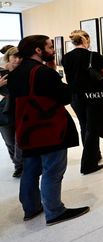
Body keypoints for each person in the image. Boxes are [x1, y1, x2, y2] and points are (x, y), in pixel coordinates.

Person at [7, 35, 89, 225]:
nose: (53, 50)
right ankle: (55, 211)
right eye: (50, 47)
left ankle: (32, 208)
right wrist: (56, 76)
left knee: (30, 170)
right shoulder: (44, 72)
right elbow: (65, 97)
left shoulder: (16, 73)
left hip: (27, 130)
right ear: (38, 50)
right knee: (53, 170)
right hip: (49, 129)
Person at [61, 30, 103, 175]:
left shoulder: (66, 57)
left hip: (75, 97)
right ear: (86, 40)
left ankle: (94, 154)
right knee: (93, 128)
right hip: (94, 96)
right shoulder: (94, 56)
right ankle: (88, 164)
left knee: (85, 126)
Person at [0, 46, 22, 177]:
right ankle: (18, 165)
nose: (18, 60)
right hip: (3, 111)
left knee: (19, 140)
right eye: (15, 57)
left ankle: (20, 165)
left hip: (20, 109)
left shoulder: (23, 72)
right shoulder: (1, 72)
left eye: (20, 57)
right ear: (8, 57)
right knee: (9, 141)